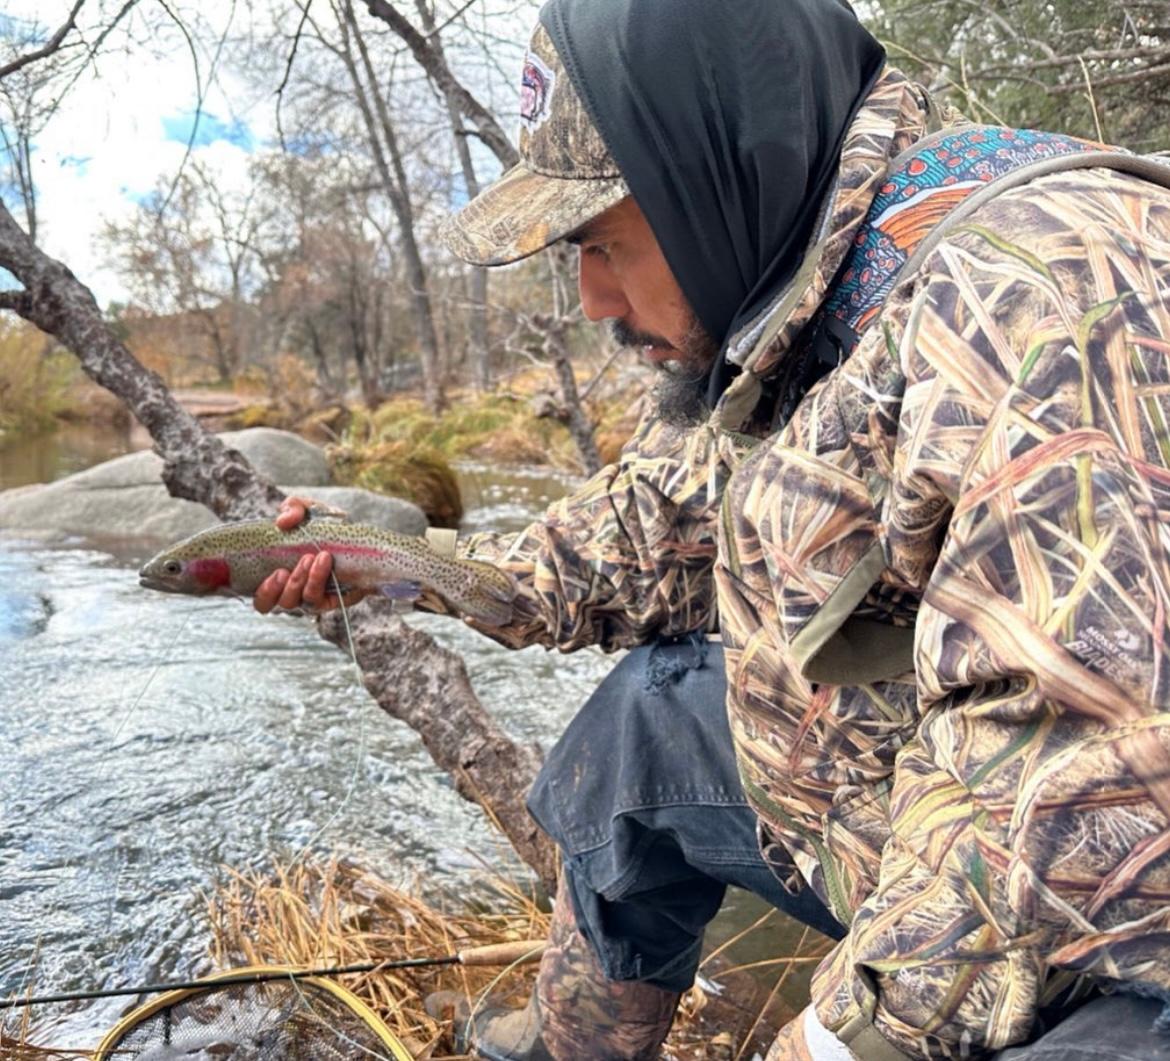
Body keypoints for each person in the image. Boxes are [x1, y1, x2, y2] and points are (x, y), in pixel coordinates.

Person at [254, 0, 1170, 1058]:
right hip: (925, 837)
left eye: (603, 244)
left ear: (717, 173)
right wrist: (394, 567)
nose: (594, 298)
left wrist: (829, 1036)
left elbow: (1074, 803)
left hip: (1117, 933)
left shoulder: (1057, 291)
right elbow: (642, 532)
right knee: (651, 717)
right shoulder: (814, 293)